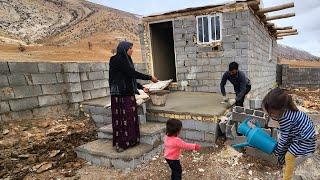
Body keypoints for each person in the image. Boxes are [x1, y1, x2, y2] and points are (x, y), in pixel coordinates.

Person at [109, 41, 158, 152]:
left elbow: (129, 77)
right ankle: (121, 144)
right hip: (120, 95)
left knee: (130, 117)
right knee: (121, 118)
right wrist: (150, 77)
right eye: (131, 48)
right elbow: (132, 73)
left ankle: (131, 140)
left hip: (128, 93)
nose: (132, 50)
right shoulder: (117, 60)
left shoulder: (127, 59)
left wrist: (141, 87)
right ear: (125, 49)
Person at [262, 88, 316, 180]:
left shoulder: (286, 118)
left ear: (281, 108)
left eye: (271, 112)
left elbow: (284, 138)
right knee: (285, 152)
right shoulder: (285, 111)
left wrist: (278, 151)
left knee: (289, 157)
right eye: (268, 112)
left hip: (304, 138)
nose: (269, 114)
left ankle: (287, 178)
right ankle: (286, 169)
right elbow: (285, 136)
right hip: (298, 134)